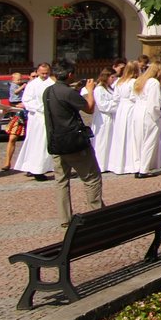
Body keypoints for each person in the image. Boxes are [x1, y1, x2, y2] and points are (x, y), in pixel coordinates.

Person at [42, 61, 103, 228]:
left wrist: (74, 89)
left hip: (56, 142)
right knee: (91, 178)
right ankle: (97, 213)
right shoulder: (68, 92)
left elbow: (63, 102)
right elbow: (89, 108)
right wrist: (89, 91)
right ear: (70, 75)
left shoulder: (48, 91)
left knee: (61, 181)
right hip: (73, 142)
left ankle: (65, 218)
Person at [15, 64, 57, 181]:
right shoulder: (32, 85)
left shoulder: (52, 83)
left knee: (48, 142)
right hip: (37, 118)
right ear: (37, 72)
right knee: (37, 143)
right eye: (42, 73)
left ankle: (47, 167)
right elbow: (27, 101)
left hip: (50, 117)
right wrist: (41, 108)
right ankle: (36, 169)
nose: (44, 75)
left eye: (46, 73)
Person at [130, 63, 161, 177]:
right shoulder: (154, 82)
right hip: (148, 113)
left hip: (137, 111)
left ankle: (137, 167)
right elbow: (154, 103)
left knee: (138, 141)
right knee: (149, 141)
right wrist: (157, 115)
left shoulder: (140, 80)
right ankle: (144, 169)